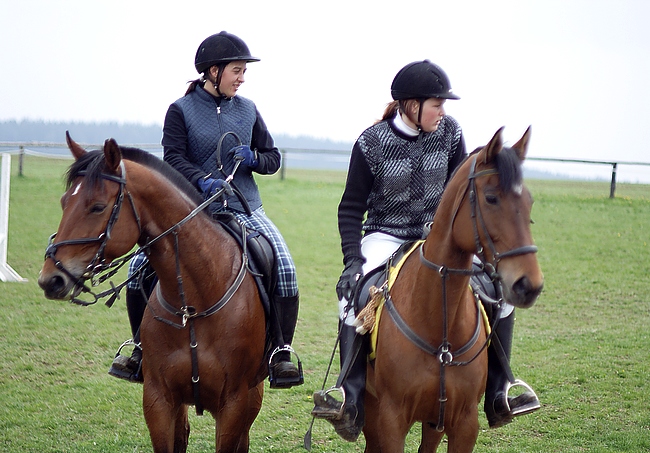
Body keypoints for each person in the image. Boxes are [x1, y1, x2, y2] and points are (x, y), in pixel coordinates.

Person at [310, 60, 539, 441]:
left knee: (498, 293)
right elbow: (351, 207)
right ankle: (348, 394)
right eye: (437, 104)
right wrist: (353, 261)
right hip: (386, 235)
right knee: (353, 296)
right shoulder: (371, 142)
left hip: (438, 237)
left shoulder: (450, 133)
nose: (443, 112)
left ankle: (500, 389)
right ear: (410, 105)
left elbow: (458, 193)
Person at [109, 31, 302, 388]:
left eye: (244, 72)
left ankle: (280, 353)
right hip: (192, 210)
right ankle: (137, 348)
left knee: (286, 269)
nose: (242, 78)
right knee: (138, 270)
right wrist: (202, 181)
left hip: (245, 207)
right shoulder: (180, 110)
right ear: (213, 71)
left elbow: (272, 158)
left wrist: (254, 158)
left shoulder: (248, 109)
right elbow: (174, 160)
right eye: (237, 71)